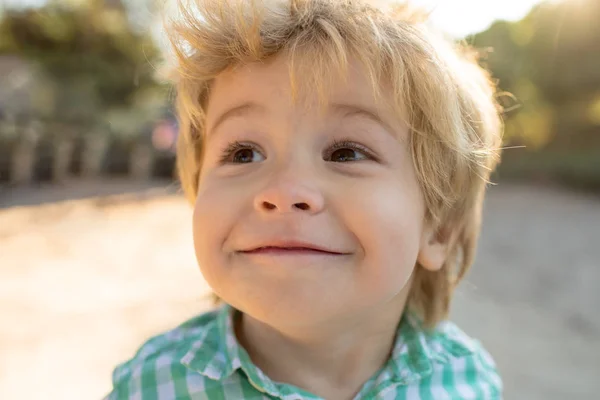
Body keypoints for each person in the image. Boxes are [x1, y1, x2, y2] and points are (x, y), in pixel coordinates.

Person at [106, 0, 504, 398]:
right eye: (243, 153)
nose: (284, 192)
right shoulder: (152, 385)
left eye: (345, 153)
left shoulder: (468, 382)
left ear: (438, 229)